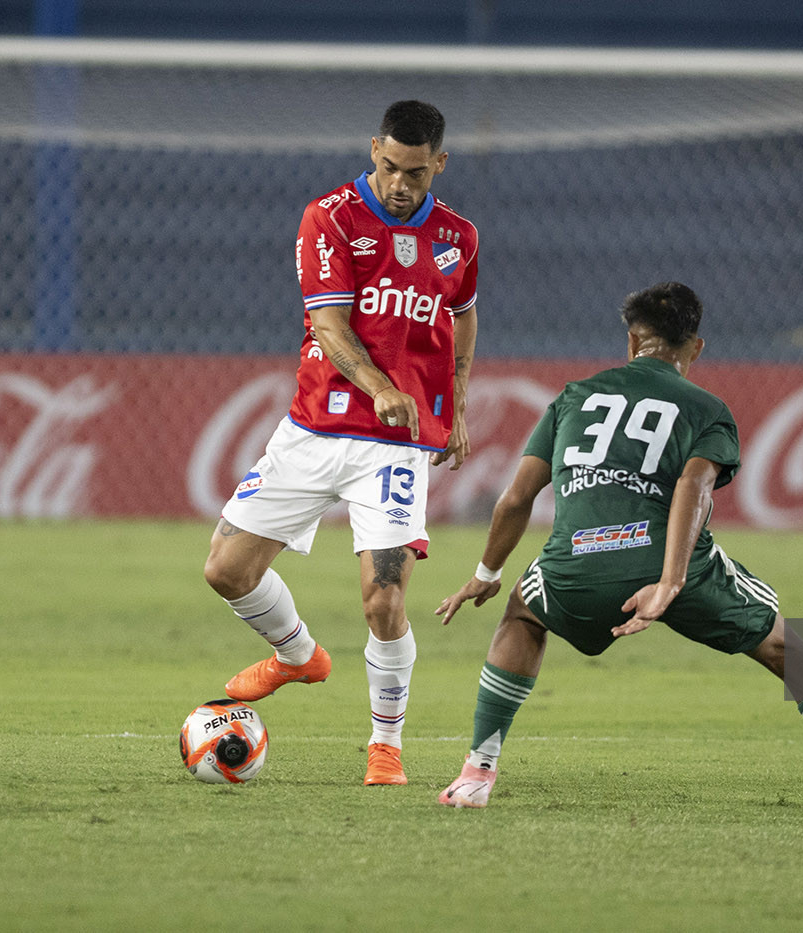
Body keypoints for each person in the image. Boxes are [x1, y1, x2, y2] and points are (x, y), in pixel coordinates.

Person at [433, 281, 803, 817]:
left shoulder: (573, 397)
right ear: (695, 347)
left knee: (523, 615)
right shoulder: (707, 409)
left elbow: (515, 499)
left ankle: (475, 775)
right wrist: (671, 582)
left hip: (576, 562)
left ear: (632, 342)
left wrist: (487, 572)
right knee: (785, 649)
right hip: (675, 566)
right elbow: (693, 488)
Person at [203, 100, 478, 787]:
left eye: (414, 171)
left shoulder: (459, 236)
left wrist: (459, 405)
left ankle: (386, 746)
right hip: (313, 427)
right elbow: (328, 325)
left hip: (396, 444)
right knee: (226, 570)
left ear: (438, 164)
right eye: (387, 165)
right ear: (373, 150)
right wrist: (378, 385)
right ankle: (298, 655)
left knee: (384, 599)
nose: (398, 183)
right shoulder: (329, 216)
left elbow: (463, 315)